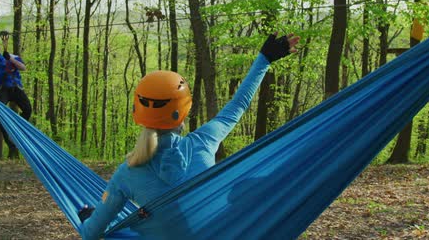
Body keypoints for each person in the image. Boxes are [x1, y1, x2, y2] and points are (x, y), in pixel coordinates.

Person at [79, 32, 300, 240]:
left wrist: (88, 218)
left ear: (138, 112)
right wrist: (264, 59)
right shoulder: (203, 142)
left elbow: (91, 234)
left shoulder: (127, 173)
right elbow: (238, 105)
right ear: (184, 111)